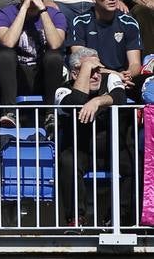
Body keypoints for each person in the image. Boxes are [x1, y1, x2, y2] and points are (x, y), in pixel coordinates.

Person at [54, 48, 133, 227]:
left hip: (111, 148)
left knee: (134, 163)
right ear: (75, 73)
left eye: (98, 70)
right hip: (80, 149)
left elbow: (120, 97)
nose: (97, 76)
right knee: (67, 161)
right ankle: (75, 219)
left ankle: (118, 217)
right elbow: (74, 102)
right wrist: (86, 71)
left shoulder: (110, 79)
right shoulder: (62, 91)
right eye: (90, 71)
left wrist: (97, 101)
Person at [0, 0, 66, 112]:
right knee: (6, 54)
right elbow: (8, 42)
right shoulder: (3, 14)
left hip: (43, 75)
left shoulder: (55, 15)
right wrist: (24, 7)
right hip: (17, 76)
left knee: (54, 56)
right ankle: (9, 113)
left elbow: (56, 44)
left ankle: (51, 113)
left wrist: (43, 10)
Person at [66, 0, 142, 84]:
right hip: (91, 77)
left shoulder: (129, 23)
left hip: (122, 78)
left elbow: (135, 63)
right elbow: (81, 63)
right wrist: (116, 76)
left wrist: (129, 75)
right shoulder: (80, 22)